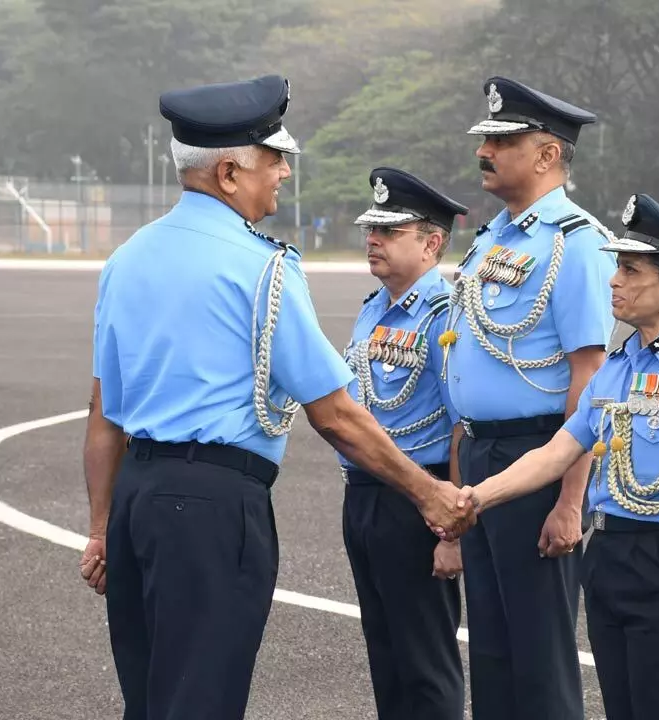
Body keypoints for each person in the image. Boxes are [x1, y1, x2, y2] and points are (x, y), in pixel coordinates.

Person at [77, 75, 473, 720]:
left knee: (149, 699)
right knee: (201, 697)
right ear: (230, 172)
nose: (284, 172)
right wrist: (430, 493)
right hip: (211, 506)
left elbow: (104, 414)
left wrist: (100, 528)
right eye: (273, 158)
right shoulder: (262, 265)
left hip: (135, 501)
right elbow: (337, 414)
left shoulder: (128, 258)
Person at [454, 192, 659, 720]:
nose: (614, 281)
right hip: (617, 563)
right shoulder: (620, 366)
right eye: (617, 268)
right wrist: (473, 497)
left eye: (630, 269)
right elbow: (558, 451)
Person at [440, 75, 617, 719]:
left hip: (541, 455)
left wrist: (570, 501)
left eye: (503, 140)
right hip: (486, 455)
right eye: (485, 138)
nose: (486, 150)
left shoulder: (577, 243)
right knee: (491, 650)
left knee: (538, 654)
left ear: (547, 155)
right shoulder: (493, 238)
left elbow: (589, 378)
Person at [337, 167, 469, 719]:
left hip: (420, 501)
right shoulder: (375, 308)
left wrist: (454, 531)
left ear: (432, 243)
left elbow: (464, 424)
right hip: (364, 496)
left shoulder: (447, 315)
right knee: (385, 656)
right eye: (373, 229)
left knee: (425, 663)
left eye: (390, 232)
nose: (374, 239)